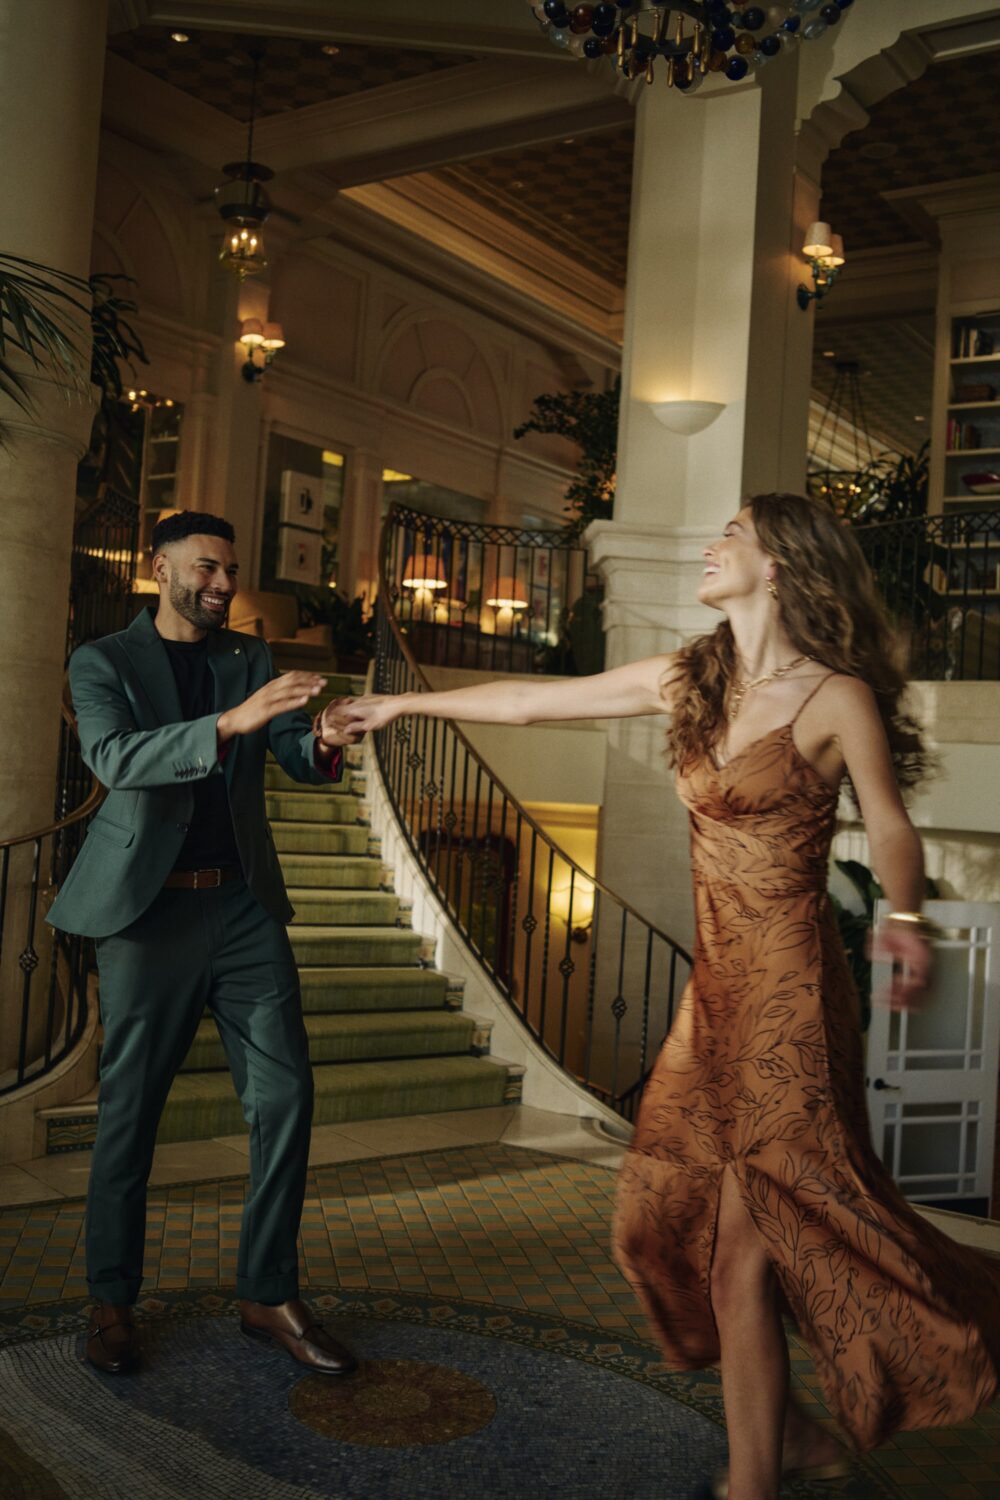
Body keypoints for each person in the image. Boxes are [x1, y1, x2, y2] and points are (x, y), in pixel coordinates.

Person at [335, 492, 1000, 1500]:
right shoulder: (692, 677)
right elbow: (530, 703)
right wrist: (403, 706)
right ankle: (785, 1439)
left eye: (729, 535)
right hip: (714, 997)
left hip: (790, 997)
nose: (710, 545)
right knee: (657, 1225)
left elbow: (893, 828)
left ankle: (754, 1479)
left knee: (748, 1253)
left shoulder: (833, 696)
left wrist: (904, 928)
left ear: (777, 563)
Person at [48, 511, 362, 1380]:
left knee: (287, 1096)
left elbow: (291, 747)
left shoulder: (246, 659)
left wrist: (325, 738)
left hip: (243, 908)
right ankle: (111, 1300)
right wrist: (232, 723)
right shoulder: (103, 658)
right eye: (206, 569)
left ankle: (268, 1291)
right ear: (159, 568)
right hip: (148, 917)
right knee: (129, 1118)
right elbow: (114, 756)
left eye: (229, 570)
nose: (223, 584)